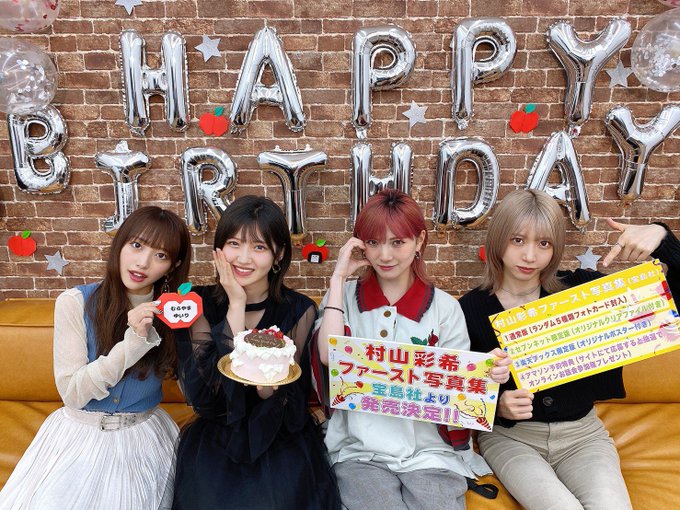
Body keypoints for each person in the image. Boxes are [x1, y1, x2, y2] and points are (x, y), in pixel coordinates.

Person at [459, 188, 680, 510]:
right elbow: (452, 390)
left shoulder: (582, 289)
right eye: (518, 240)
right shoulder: (469, 309)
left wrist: (662, 239)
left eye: (544, 243)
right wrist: (496, 405)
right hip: (513, 439)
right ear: (498, 239)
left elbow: (666, 309)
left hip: (583, 435)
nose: (530, 256)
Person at [312, 189, 511, 510]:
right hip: (360, 451)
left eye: (397, 242)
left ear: (419, 241)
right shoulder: (343, 296)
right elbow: (329, 356)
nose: (384, 255)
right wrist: (337, 278)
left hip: (431, 453)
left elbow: (458, 388)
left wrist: (486, 372)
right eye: (373, 242)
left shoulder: (444, 308)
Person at [0, 206, 192, 510]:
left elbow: (193, 392)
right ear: (120, 244)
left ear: (172, 266)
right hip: (79, 435)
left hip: (143, 436)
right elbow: (73, 394)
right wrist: (133, 343)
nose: (142, 262)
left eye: (160, 255)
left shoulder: (177, 312)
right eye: (137, 245)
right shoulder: (75, 302)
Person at [172, 195, 341, 510]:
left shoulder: (299, 309)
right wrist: (236, 304)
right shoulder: (196, 303)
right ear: (219, 249)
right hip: (217, 437)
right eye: (234, 244)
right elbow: (204, 398)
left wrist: (268, 392)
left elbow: (292, 410)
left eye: (259, 247)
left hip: (278, 437)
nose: (243, 258)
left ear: (279, 254)